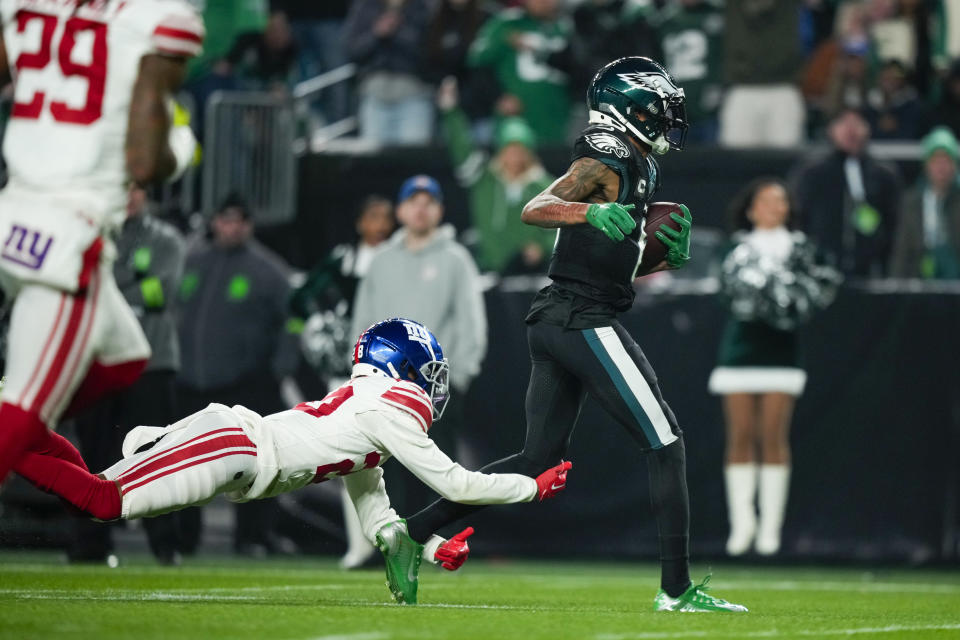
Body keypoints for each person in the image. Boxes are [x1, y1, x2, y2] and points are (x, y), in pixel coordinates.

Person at [402, 57, 747, 613]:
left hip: (563, 314)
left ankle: (412, 533)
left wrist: (656, 261)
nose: (666, 120)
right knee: (666, 442)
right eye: (659, 109)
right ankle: (676, 590)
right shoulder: (607, 153)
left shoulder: (633, 161)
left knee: (536, 458)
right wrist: (589, 214)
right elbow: (536, 208)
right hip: (580, 317)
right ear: (631, 108)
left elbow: (603, 263)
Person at [14, 318, 572, 606]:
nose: (434, 387)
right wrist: (530, 487)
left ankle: (25, 432)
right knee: (101, 501)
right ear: (402, 365)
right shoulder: (386, 411)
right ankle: (11, 435)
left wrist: (424, 544)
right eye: (429, 373)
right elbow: (459, 483)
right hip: (232, 446)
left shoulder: (367, 415)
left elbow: (373, 504)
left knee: (94, 489)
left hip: (232, 447)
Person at [0, 0, 204, 484]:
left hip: (15, 206)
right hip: (71, 232)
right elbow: (144, 163)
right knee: (26, 411)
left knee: (124, 357)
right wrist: (181, 145)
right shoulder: (158, 17)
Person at [707, 178, 840, 557]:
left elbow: (819, 289)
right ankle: (742, 523)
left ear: (788, 208)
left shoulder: (802, 249)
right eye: (765, 201)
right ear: (751, 209)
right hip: (739, 352)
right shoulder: (735, 248)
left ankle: (770, 528)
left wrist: (782, 299)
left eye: (780, 201)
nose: (772, 206)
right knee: (741, 435)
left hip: (782, 352)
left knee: (773, 436)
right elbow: (728, 293)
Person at [351, 176, 487, 520]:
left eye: (429, 202)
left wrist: (459, 378)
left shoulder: (456, 260)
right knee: (386, 472)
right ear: (400, 210)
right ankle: (391, 545)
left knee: (438, 470)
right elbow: (363, 323)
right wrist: (361, 376)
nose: (421, 209)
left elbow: (473, 324)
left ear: (440, 210)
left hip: (437, 389)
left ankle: (439, 544)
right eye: (414, 201)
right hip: (385, 389)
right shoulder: (381, 261)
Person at [68, 184, 188, 566]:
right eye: (123, 188)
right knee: (93, 455)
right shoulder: (88, 234)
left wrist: (109, 287)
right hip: (99, 361)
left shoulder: (167, 240)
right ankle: (89, 545)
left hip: (151, 363)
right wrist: (134, 277)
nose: (130, 196)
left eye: (137, 188)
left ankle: (165, 546)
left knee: (156, 453)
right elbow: (78, 286)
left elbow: (159, 296)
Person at [176, 194, 300, 555]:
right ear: (214, 222)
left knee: (253, 464)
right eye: (225, 220)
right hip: (190, 382)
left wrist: (279, 369)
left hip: (246, 384)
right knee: (185, 465)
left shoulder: (268, 270)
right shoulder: (190, 262)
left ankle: (252, 537)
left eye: (238, 221)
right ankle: (183, 539)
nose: (231, 227)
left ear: (249, 225)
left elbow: (294, 320)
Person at [290, 194, 395, 568]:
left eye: (386, 216)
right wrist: (322, 323)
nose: (380, 224)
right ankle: (360, 545)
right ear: (359, 222)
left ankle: (396, 542)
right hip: (348, 372)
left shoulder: (399, 258)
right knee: (353, 459)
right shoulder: (343, 259)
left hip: (393, 372)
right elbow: (300, 299)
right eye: (372, 216)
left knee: (392, 461)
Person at [436, 78, 555, 274]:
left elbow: (559, 232)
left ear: (529, 152)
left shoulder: (546, 186)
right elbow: (461, 148)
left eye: (520, 149)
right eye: (509, 148)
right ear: (500, 150)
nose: (514, 156)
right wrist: (451, 113)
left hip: (530, 274)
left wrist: (541, 248)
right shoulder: (483, 177)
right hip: (489, 269)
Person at [789, 107, 902, 277]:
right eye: (843, 123)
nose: (851, 130)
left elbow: (894, 226)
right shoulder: (812, 173)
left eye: (857, 123)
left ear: (868, 128)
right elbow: (798, 220)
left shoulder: (884, 174)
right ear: (830, 129)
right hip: (820, 272)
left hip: (869, 274)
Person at [890, 126, 960, 278]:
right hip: (920, 277)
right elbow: (902, 248)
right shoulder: (911, 202)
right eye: (936, 161)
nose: (941, 167)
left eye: (946, 160)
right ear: (927, 165)